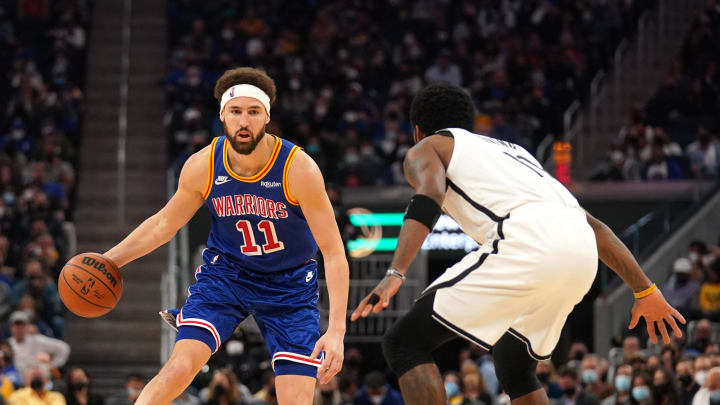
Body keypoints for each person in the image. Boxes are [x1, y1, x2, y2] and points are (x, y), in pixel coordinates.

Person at [350, 83, 685, 405]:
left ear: (418, 131)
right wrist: (645, 290)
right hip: (581, 253)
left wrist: (396, 271)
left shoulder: (429, 147)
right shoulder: (516, 154)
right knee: (515, 365)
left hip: (528, 242)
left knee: (404, 342)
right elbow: (596, 227)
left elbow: (430, 195)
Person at [99, 67, 349, 405]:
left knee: (296, 399)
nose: (243, 121)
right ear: (222, 116)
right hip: (227, 273)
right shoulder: (203, 165)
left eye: (253, 112)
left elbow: (333, 253)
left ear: (266, 117)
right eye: (235, 112)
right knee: (178, 368)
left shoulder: (298, 168)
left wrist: (336, 332)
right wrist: (109, 260)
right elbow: (163, 225)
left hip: (289, 285)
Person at [7, 311, 69, 382]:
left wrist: (53, 366)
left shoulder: (36, 339)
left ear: (27, 326)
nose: (19, 328)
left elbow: (64, 348)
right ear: (11, 327)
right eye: (16, 325)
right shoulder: (8, 344)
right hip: (16, 383)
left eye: (22, 325)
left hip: (39, 381)